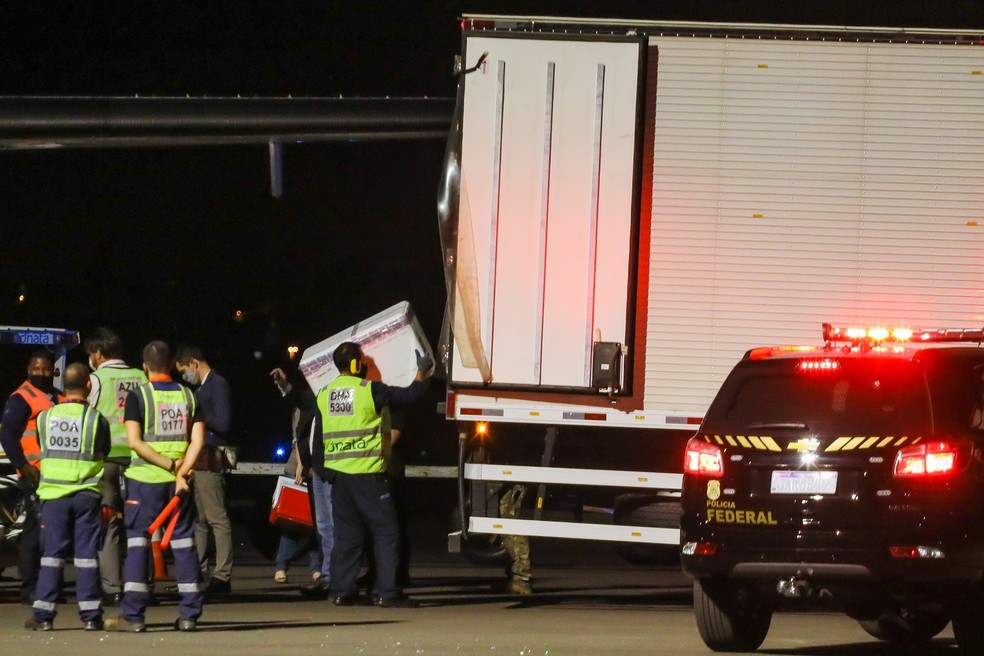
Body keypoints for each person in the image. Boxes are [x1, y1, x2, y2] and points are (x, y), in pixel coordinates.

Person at [313, 341, 431, 608]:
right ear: (356, 365)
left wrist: (325, 473)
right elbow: (411, 395)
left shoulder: (324, 394)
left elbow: (319, 439)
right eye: (364, 362)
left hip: (340, 481)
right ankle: (386, 593)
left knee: (347, 537)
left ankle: (342, 591)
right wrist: (422, 371)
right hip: (368, 476)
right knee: (387, 532)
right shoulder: (369, 391)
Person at [105, 340, 205, 632]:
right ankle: (189, 615)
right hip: (179, 484)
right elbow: (197, 441)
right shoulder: (189, 395)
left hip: (145, 482)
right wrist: (181, 472)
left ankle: (133, 617)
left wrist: (168, 465)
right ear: (172, 364)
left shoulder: (139, 396)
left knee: (138, 545)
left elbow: (135, 441)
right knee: (184, 544)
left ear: (145, 366)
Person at [24, 362, 111, 631]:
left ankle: (43, 616)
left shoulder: (45, 418)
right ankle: (91, 616)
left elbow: (42, 447)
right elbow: (103, 452)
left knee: (52, 555)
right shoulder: (97, 419)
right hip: (86, 494)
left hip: (54, 495)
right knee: (86, 555)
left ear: (63, 386)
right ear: (88, 385)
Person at [84, 327, 148, 606]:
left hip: (108, 460)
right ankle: (142, 583)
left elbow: (89, 417)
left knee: (108, 523)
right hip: (140, 459)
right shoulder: (141, 377)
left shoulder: (96, 379)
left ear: (98, 353)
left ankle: (113, 587)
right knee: (140, 524)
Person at [0, 349, 64, 604]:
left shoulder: (58, 398)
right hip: (34, 474)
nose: (41, 373)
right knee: (34, 532)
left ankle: (50, 585)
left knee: (53, 532)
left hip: (56, 475)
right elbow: (7, 435)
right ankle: (30, 586)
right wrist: (23, 466)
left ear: (53, 371)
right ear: (29, 370)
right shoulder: (21, 398)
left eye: (46, 369)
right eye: (36, 369)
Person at [175, 344, 234, 596]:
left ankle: (222, 576)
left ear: (194, 363)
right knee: (200, 520)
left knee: (216, 518)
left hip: (210, 458)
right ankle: (196, 572)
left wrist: (196, 417)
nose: (184, 377)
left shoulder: (217, 384)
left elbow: (224, 422)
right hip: (198, 460)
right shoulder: (201, 387)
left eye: (184, 371)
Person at [272, 366, 332, 596]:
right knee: (293, 520)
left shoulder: (322, 400)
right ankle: (282, 565)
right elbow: (298, 437)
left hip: (314, 466)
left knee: (317, 522)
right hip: (299, 466)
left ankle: (317, 568)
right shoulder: (306, 402)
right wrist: (301, 463)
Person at [499, 484, 533, 595]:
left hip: (520, 476)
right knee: (509, 518)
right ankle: (517, 577)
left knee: (511, 518)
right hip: (515, 477)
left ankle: (521, 580)